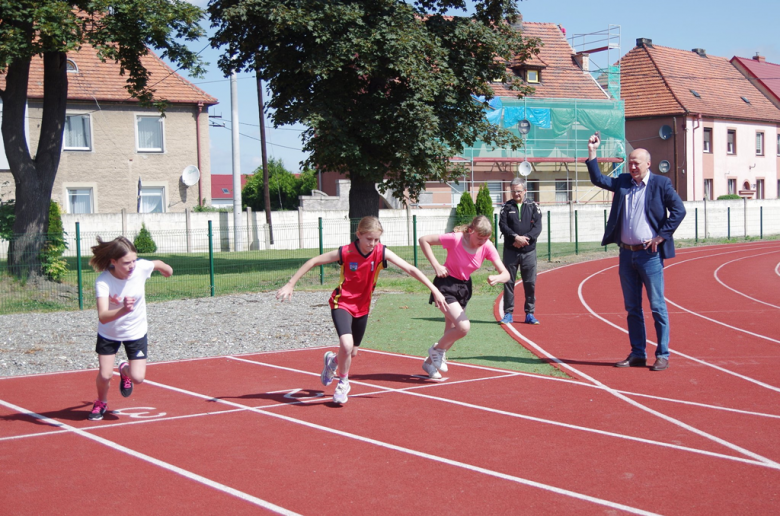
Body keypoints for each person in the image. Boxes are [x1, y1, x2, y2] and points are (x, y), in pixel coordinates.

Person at [276, 216, 447, 404]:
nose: (372, 244)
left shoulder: (382, 253)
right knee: (347, 345)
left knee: (352, 352)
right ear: (358, 235)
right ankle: (343, 382)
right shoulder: (346, 252)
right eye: (369, 239)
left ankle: (332, 361)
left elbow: (410, 269)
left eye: (376, 240)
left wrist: (434, 289)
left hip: (362, 308)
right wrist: (291, 284)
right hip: (341, 303)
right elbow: (314, 261)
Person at [586, 132, 686, 371]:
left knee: (657, 306)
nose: (632, 166)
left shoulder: (661, 184)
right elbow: (598, 179)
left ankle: (662, 353)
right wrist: (592, 152)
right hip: (626, 254)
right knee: (632, 308)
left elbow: (679, 210)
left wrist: (662, 235)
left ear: (648, 164)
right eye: (630, 162)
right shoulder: (622, 182)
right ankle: (637, 353)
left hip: (649, 255)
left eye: (636, 162)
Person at [87, 236, 173, 420]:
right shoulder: (103, 282)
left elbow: (156, 263)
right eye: (126, 263)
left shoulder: (140, 268)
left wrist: (167, 270)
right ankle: (101, 402)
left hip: (135, 332)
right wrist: (123, 309)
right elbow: (103, 316)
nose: (132, 266)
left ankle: (125, 370)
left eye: (134, 260)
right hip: (109, 333)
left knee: (138, 378)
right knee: (105, 374)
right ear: (113, 261)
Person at [418, 215, 510, 378]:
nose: (483, 242)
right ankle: (436, 350)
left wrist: (497, 278)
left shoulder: (487, 246)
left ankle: (429, 364)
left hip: (464, 288)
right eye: (480, 238)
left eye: (486, 238)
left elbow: (506, 274)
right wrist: (436, 265)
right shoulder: (456, 239)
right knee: (463, 327)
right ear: (470, 231)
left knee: (451, 331)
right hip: (445, 284)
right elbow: (424, 240)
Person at [498, 178, 543, 325]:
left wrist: (525, 239)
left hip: (529, 251)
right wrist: (515, 238)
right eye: (513, 191)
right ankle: (508, 313)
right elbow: (503, 226)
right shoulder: (506, 207)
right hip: (511, 251)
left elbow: (537, 227)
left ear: (525, 191)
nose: (516, 193)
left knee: (530, 283)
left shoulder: (533, 206)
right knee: (508, 282)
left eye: (518, 191)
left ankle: (530, 313)